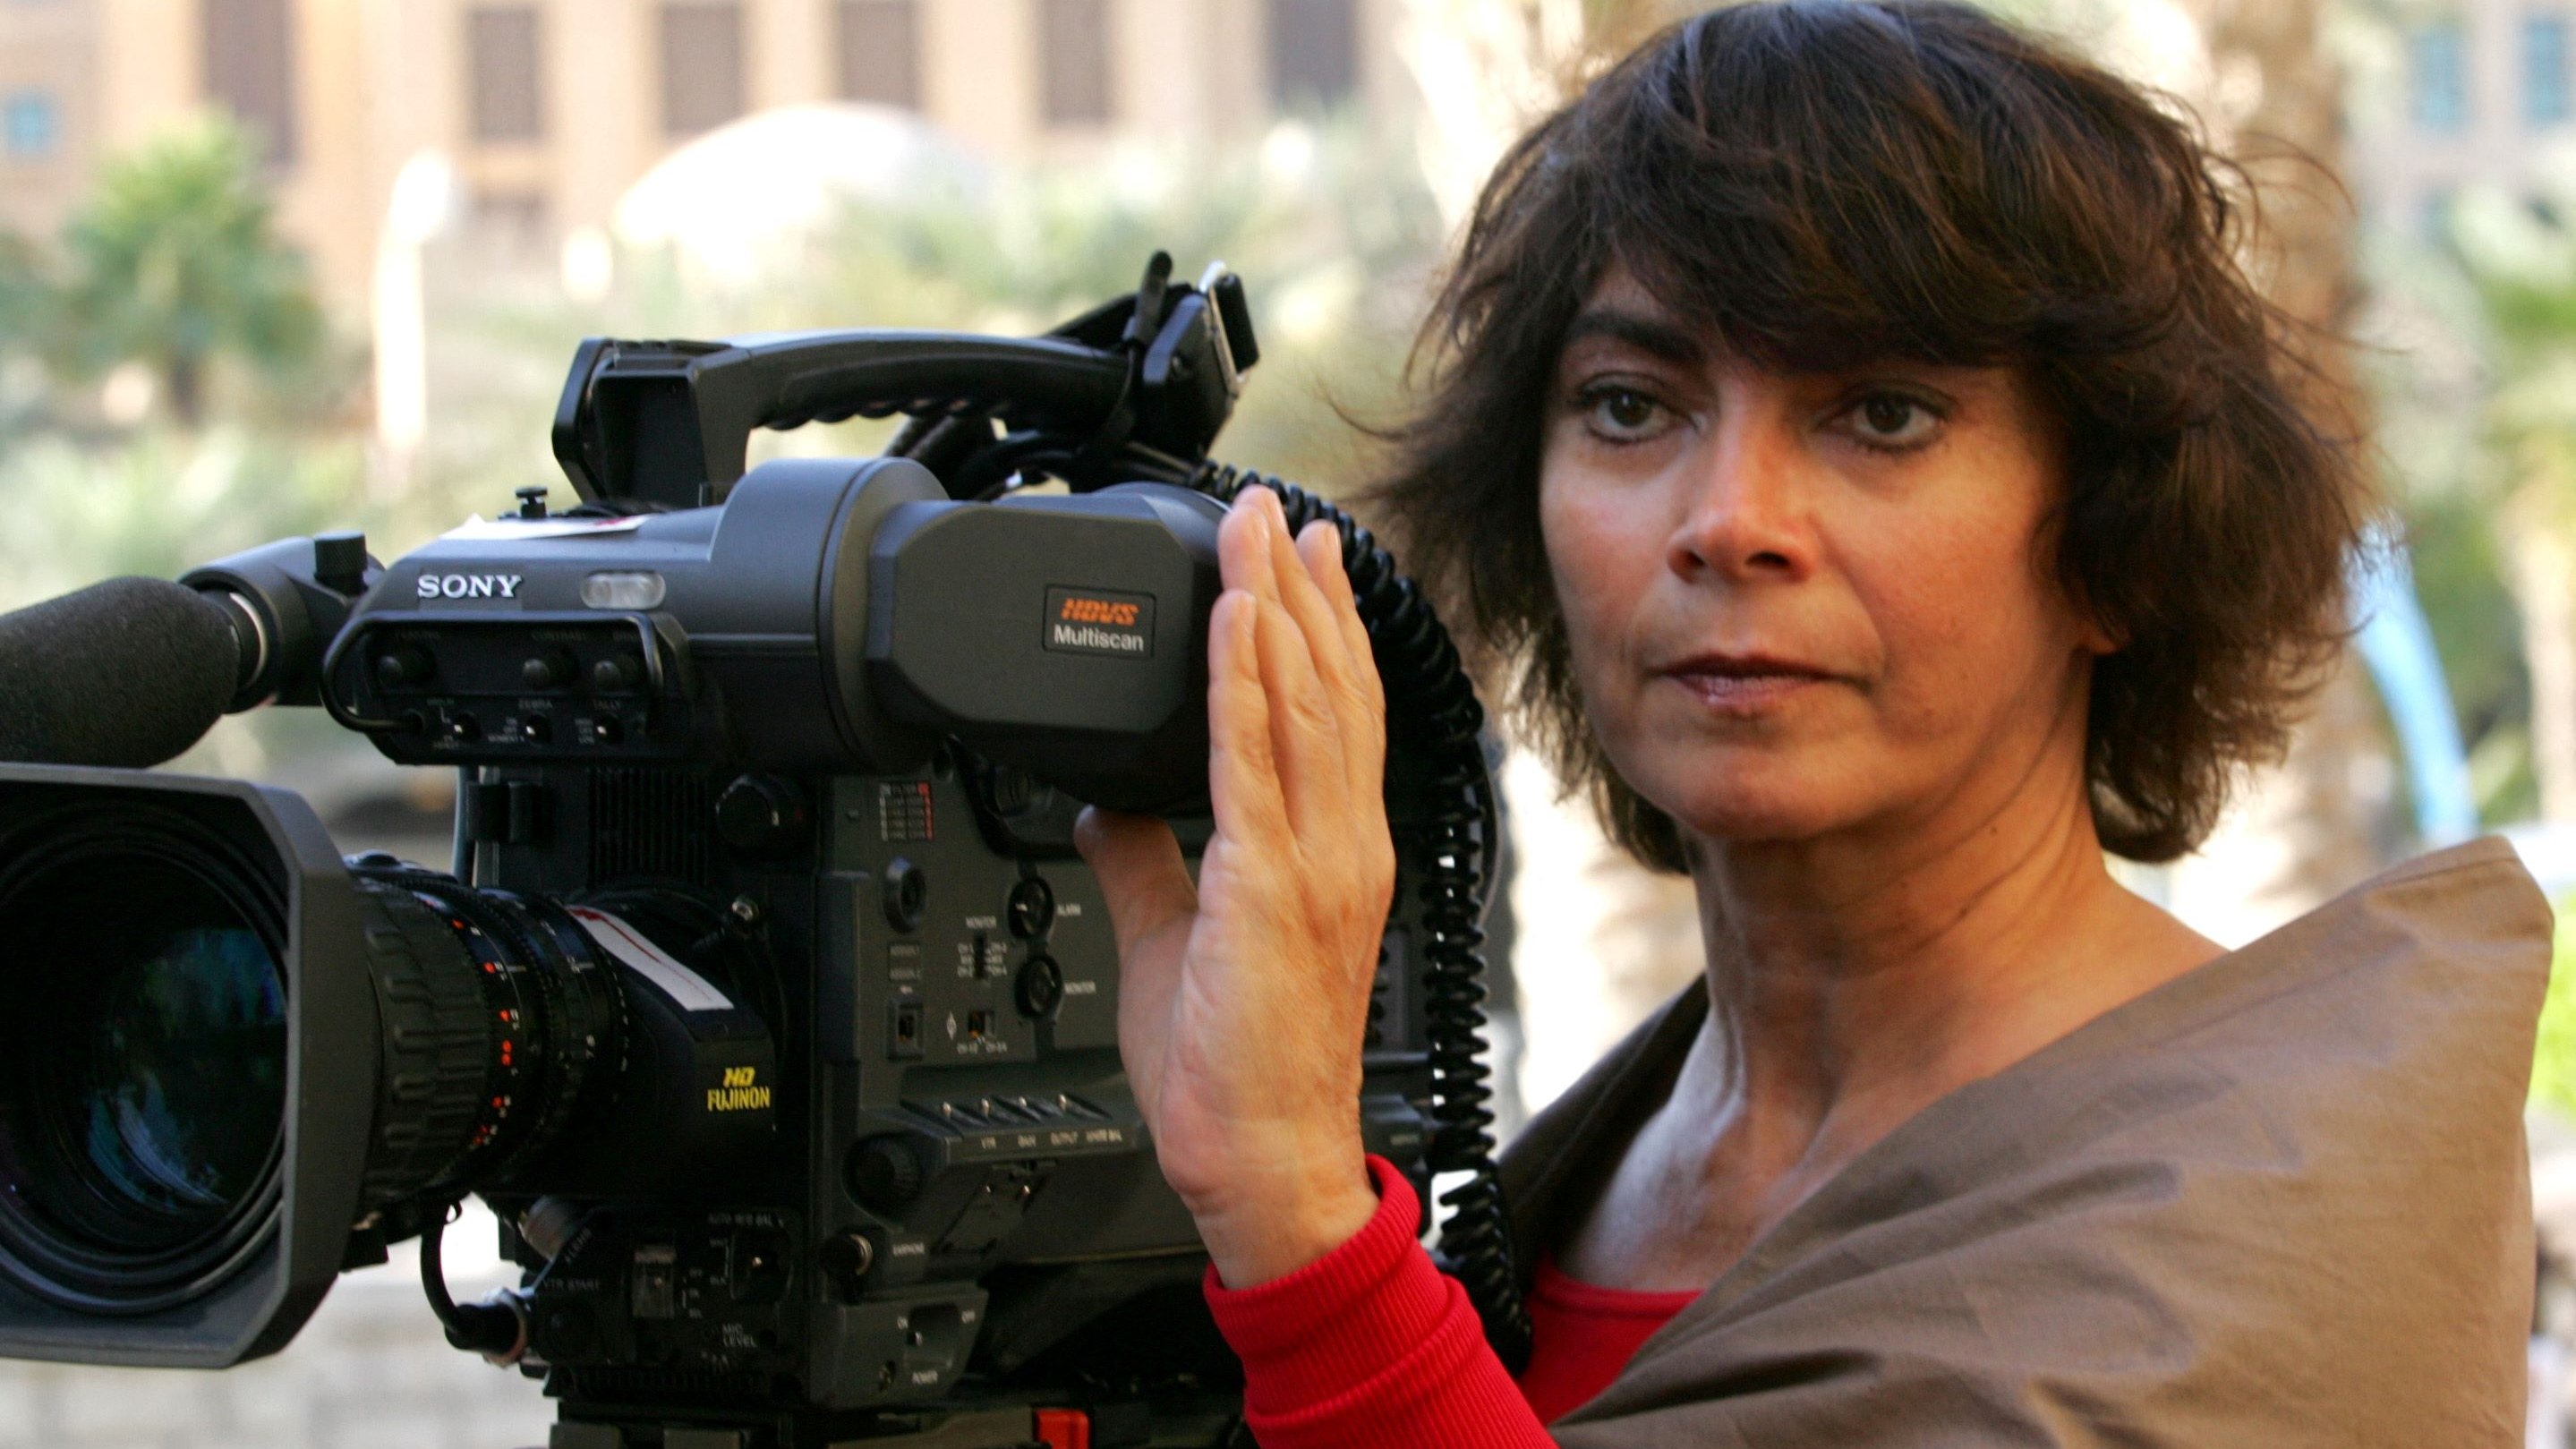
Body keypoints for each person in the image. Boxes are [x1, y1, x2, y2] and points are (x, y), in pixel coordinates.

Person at [1070, 3, 2555, 1445]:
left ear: (2115, 542)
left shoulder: (2258, 1202)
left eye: (1883, 415)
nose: (1727, 523)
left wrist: (1300, 1228)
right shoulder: (1575, 1179)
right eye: (1630, 407)